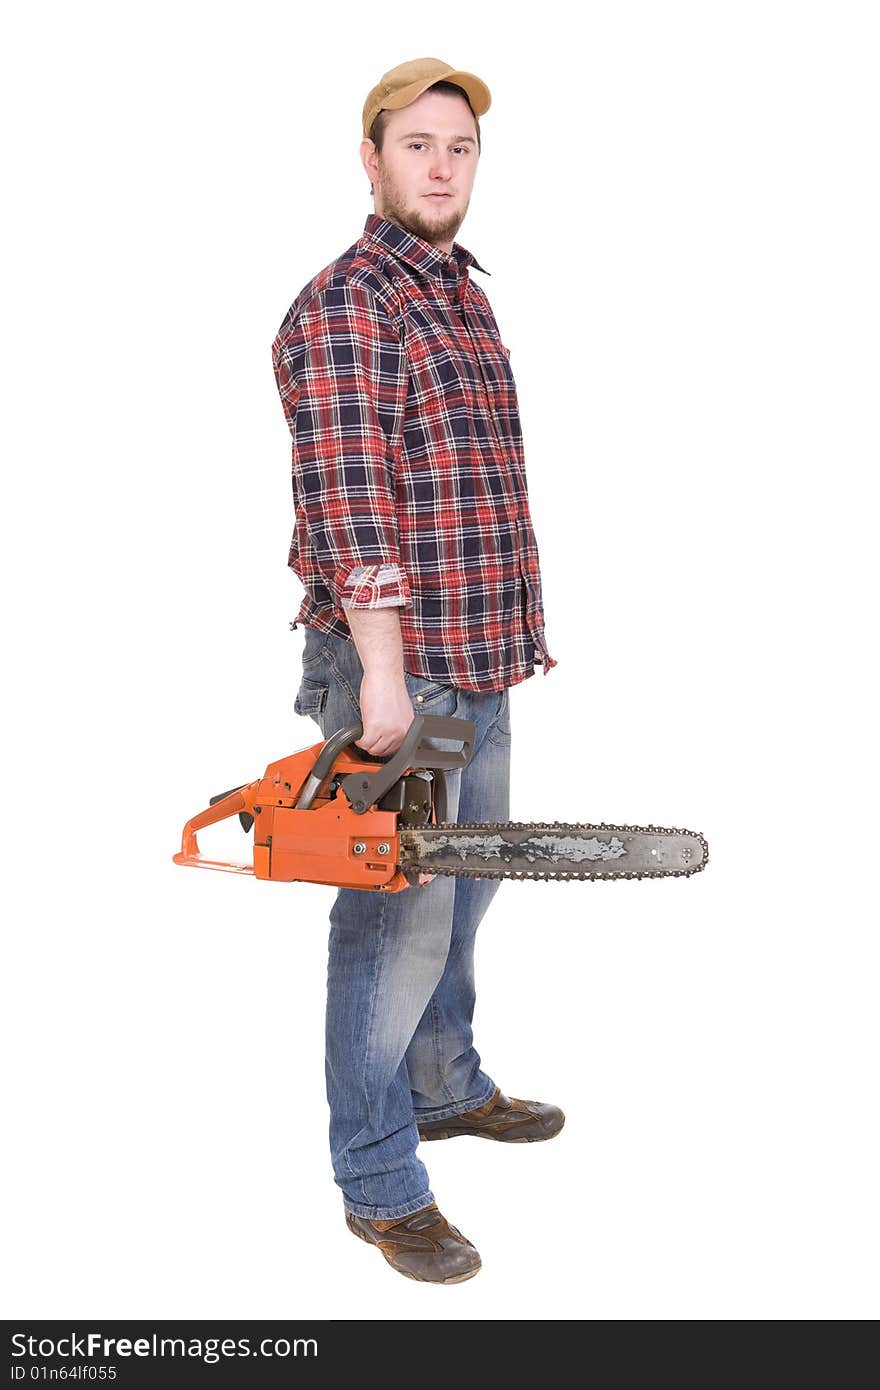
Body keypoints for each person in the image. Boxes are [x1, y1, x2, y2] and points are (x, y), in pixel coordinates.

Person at [271, 57, 562, 1285]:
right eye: (417, 146)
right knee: (394, 922)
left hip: (479, 654)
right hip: (401, 674)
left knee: (469, 891)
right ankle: (380, 1178)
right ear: (371, 159)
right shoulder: (349, 304)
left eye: (460, 148)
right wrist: (382, 682)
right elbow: (354, 509)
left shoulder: (456, 294)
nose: (442, 168)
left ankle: (443, 1084)